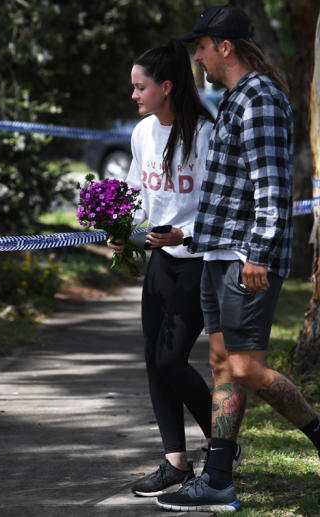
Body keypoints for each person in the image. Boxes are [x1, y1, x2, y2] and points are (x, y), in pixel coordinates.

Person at [156, 5, 311, 512]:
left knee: (246, 367)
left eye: (200, 46)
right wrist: (186, 231)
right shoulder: (233, 99)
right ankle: (218, 478)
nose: (196, 56)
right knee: (222, 364)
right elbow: (230, 191)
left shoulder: (260, 98)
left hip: (247, 256)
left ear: (225, 47)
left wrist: (260, 253)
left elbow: (271, 185)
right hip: (220, 252)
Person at [107, 39, 216, 498]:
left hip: (199, 260)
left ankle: (223, 444)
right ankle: (175, 463)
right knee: (155, 359)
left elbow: (219, 205)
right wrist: (119, 226)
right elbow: (135, 193)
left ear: (166, 87)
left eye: (140, 87)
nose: (133, 95)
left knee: (172, 358)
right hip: (160, 261)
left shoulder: (207, 134)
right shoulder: (142, 134)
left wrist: (184, 236)